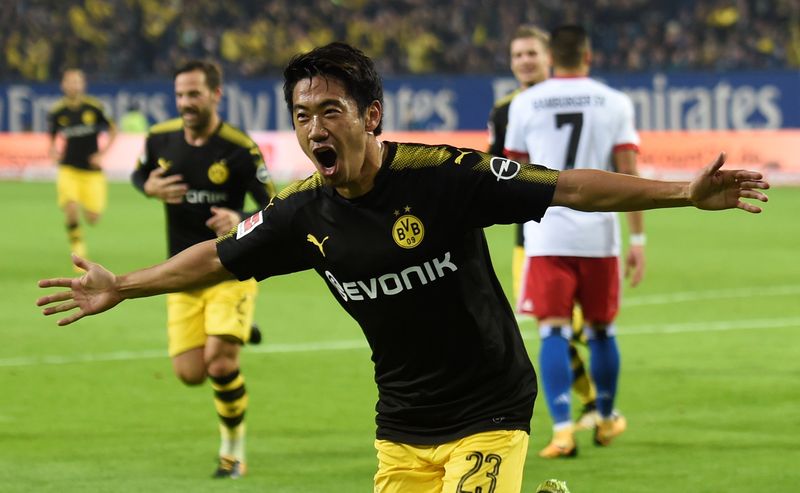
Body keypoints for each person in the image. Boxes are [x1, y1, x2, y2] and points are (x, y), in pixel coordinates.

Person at [38, 42, 769, 493]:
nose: (315, 128)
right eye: (301, 114)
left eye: (331, 109)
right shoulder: (302, 214)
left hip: (490, 405)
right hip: (403, 423)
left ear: (371, 116)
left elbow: (568, 185)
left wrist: (683, 192)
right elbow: (219, 257)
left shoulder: (444, 175)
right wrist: (124, 285)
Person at [504, 24, 646, 458]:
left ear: (552, 59)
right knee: (603, 330)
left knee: (553, 331)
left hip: (546, 234)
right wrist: (637, 237)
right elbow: (629, 175)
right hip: (599, 235)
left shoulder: (524, 102)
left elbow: (512, 172)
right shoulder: (615, 102)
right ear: (587, 57)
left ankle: (563, 429)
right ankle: (605, 418)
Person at [129, 59, 275, 478]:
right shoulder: (160, 140)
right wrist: (149, 187)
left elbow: (273, 206)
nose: (185, 103)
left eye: (194, 94)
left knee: (220, 363)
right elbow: (140, 174)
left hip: (230, 269)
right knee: (190, 373)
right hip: (181, 274)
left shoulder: (239, 148)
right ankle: (239, 330)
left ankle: (233, 453)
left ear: (216, 94)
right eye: (179, 95)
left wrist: (240, 218)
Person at [488, 25, 601, 435]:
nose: (525, 62)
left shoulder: (574, 98)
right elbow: (493, 166)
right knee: (549, 324)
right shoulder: (504, 110)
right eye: (517, 55)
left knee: (561, 325)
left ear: (549, 56)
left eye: (531, 54)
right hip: (531, 236)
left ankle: (592, 396)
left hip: (583, 227)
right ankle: (592, 403)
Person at [47, 68, 117, 267]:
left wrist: (102, 154)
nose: (73, 85)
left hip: (92, 172)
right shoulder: (57, 111)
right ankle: (78, 247)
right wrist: (53, 150)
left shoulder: (94, 107)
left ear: (83, 84)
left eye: (77, 81)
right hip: (68, 169)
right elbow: (52, 136)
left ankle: (80, 234)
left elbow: (113, 129)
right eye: (70, 81)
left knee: (93, 217)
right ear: (63, 85)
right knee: (70, 206)